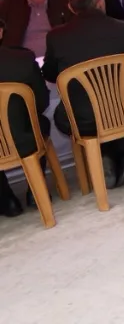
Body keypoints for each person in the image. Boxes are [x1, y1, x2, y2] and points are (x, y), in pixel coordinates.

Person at [41, 0, 124, 190]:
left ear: (71, 8)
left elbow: (51, 74)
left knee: (74, 114)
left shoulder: (56, 37)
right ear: (101, 2)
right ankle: (119, 156)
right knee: (115, 110)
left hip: (81, 119)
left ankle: (106, 156)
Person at [0, 17, 51, 217]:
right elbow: (42, 103)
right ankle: (35, 192)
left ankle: (6, 200)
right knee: (38, 123)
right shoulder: (22, 59)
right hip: (24, 139)